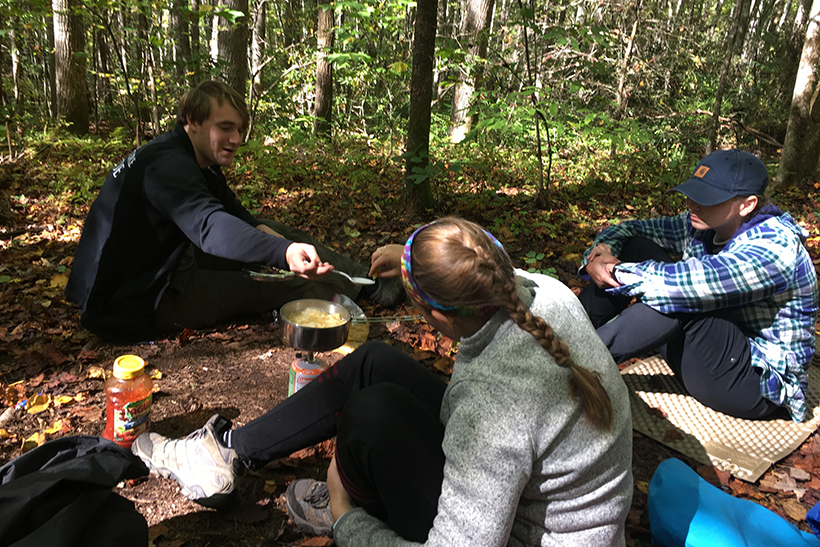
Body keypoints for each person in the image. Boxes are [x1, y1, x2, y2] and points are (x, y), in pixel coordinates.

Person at [130, 217, 634, 546]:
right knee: (372, 361)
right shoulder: (539, 290)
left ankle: (351, 499)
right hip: (534, 483)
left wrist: (351, 520)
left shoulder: (493, 407)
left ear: (435, 316)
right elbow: (477, 255)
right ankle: (229, 450)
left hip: (526, 534)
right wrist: (410, 251)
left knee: (371, 414)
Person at [65, 80, 402, 344]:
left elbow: (233, 212)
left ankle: (371, 284)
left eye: (240, 129)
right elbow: (210, 228)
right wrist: (283, 255)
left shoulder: (196, 158)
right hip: (142, 300)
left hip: (166, 264)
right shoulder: (168, 166)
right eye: (225, 128)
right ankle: (335, 299)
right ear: (193, 121)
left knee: (279, 232)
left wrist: (274, 238)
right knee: (282, 284)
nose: (236, 138)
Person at [577, 149, 818, 422]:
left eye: (707, 199)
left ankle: (578, 363)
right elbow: (633, 229)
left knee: (680, 295)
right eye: (692, 194)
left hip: (752, 384)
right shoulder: (703, 224)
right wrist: (600, 253)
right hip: (707, 356)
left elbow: (687, 286)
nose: (692, 204)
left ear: (747, 204)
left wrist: (615, 270)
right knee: (636, 247)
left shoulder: (774, 247)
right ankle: (563, 331)